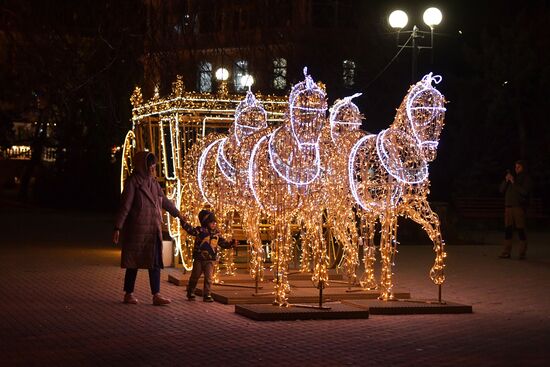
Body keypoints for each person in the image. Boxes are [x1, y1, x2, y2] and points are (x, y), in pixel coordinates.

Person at [113, 151, 186, 305]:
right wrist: (117, 228)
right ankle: (128, 293)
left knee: (155, 263)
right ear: (143, 166)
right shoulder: (133, 182)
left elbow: (164, 201)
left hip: (153, 230)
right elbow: (125, 206)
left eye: (154, 165)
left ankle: (156, 295)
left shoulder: (153, 183)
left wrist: (178, 214)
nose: (153, 169)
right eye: (151, 166)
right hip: (137, 230)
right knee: (133, 263)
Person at [181, 210, 237, 302]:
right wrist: (183, 222)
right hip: (199, 258)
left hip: (210, 259)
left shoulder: (217, 234)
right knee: (195, 276)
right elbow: (190, 230)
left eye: (215, 222)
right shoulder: (200, 230)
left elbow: (223, 243)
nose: (214, 224)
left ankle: (207, 294)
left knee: (209, 278)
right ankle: (191, 291)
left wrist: (231, 244)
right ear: (206, 222)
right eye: (211, 222)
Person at [499, 160, 533, 260]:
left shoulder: (526, 178)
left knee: (520, 230)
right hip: (508, 208)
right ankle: (506, 252)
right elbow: (501, 190)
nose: (516, 169)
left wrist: (513, 182)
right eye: (515, 167)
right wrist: (506, 180)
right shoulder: (512, 178)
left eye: (519, 167)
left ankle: (522, 253)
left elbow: (524, 192)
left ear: (523, 167)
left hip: (518, 207)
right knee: (508, 230)